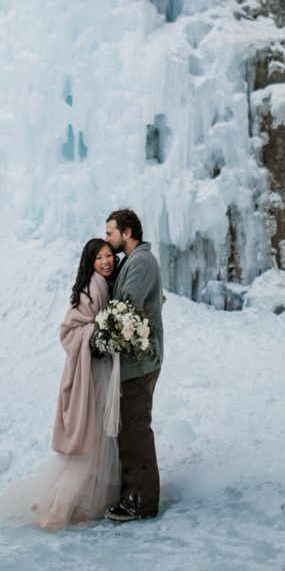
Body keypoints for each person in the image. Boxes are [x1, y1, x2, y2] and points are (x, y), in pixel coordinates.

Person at [0, 239, 120, 529]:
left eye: (109, 255)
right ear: (90, 262)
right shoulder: (92, 287)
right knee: (91, 436)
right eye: (99, 257)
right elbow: (69, 330)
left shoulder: (104, 285)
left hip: (100, 369)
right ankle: (59, 506)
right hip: (93, 373)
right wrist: (101, 332)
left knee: (98, 436)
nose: (105, 262)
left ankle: (79, 501)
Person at [102, 208, 164, 521]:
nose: (107, 237)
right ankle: (131, 493)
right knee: (130, 428)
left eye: (110, 231)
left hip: (139, 363)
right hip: (135, 361)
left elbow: (126, 307)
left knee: (136, 430)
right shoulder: (134, 260)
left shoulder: (141, 261)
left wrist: (99, 336)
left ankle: (140, 503)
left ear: (127, 233)